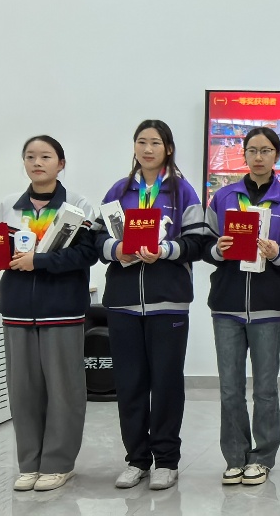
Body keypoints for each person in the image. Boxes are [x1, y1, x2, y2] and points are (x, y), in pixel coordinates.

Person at [0, 135, 98, 492]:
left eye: (45, 156)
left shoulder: (77, 206)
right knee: (23, 392)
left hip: (61, 309)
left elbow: (86, 255)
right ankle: (29, 464)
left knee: (64, 391)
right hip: (17, 310)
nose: (37, 163)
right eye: (30, 157)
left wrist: (39, 261)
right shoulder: (9, 205)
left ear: (61, 163)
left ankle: (59, 464)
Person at [96, 120, 210, 491]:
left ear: (168, 149)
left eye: (155, 143)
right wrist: (117, 250)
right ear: (134, 147)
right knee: (129, 384)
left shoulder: (183, 192)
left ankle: (167, 461)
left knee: (166, 384)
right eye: (141, 142)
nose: (148, 149)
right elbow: (96, 238)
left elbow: (197, 243)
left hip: (169, 303)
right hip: (123, 303)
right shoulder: (119, 190)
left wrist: (165, 250)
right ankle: (137, 460)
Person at [203, 126, 280, 486]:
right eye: (252, 150)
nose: (259, 156)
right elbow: (203, 245)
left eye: (266, 150)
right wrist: (219, 249)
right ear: (244, 154)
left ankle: (262, 457)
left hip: (269, 306)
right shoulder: (223, 197)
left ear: (277, 155)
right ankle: (235, 457)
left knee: (265, 388)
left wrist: (277, 253)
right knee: (230, 388)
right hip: (227, 304)